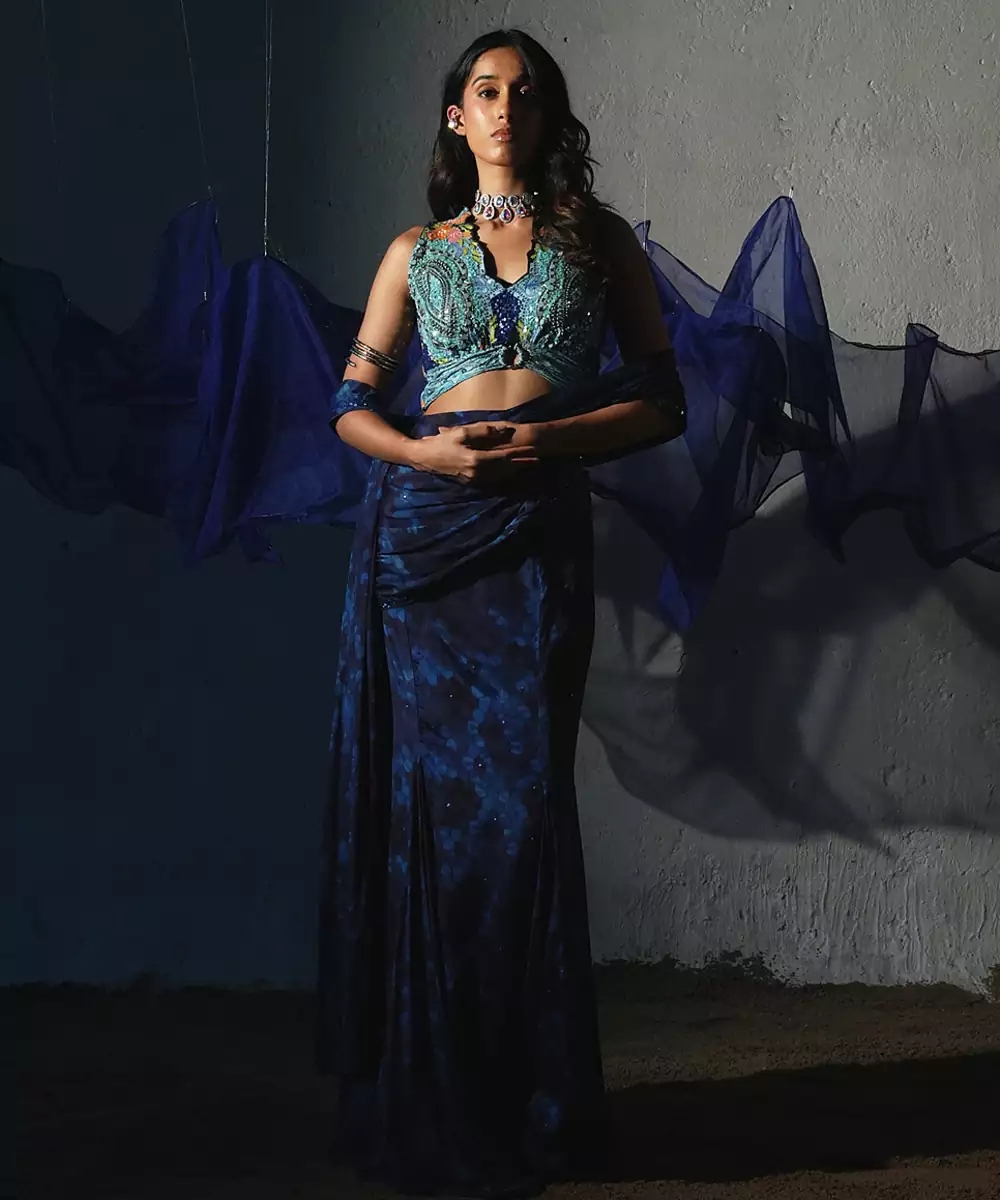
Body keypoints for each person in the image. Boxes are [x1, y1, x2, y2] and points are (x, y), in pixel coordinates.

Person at [314, 27, 687, 1199]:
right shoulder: (413, 252)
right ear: (455, 116)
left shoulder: (598, 240)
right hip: (422, 542)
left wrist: (550, 440)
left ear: (549, 114)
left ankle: (530, 1100)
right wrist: (427, 458)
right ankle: (435, 1094)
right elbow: (349, 407)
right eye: (485, 90)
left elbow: (662, 401)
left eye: (526, 92)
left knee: (521, 814)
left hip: (533, 534)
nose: (505, 107)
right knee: (429, 819)